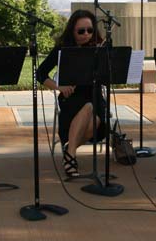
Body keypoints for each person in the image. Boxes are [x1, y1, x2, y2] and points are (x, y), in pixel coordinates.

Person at [36, 9, 106, 177]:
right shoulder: (62, 49)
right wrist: (58, 87)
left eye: (90, 30)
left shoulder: (99, 47)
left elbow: (108, 74)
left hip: (95, 96)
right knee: (88, 107)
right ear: (72, 31)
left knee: (96, 120)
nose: (86, 35)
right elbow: (40, 73)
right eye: (81, 31)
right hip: (71, 99)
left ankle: (69, 150)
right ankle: (70, 157)